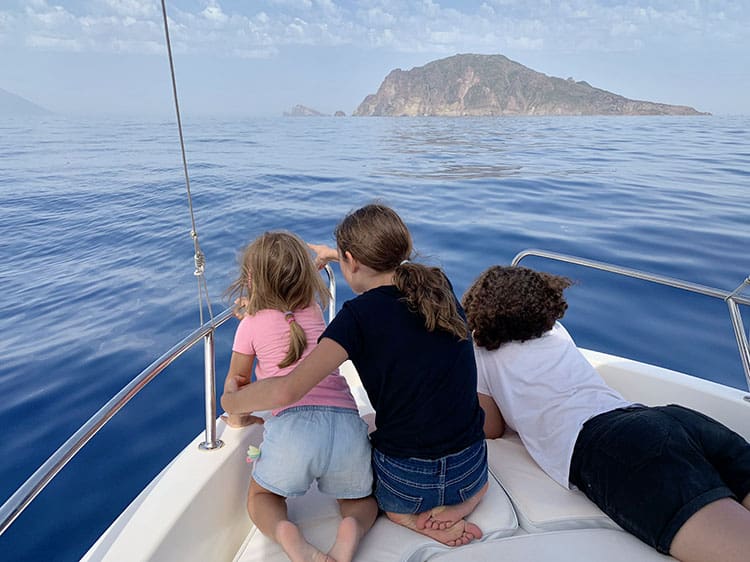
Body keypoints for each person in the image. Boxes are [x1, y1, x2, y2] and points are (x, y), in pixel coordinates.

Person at [223, 204, 488, 547]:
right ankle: (465, 503)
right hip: (471, 472)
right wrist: (337, 255)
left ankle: (403, 515)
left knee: (375, 465)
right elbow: (397, 268)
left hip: (405, 487)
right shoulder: (438, 285)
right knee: (380, 443)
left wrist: (232, 401)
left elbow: (288, 389)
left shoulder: (355, 318)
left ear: (352, 261)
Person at [462, 265, 750, 562]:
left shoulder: (480, 349)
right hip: (670, 419)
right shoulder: (555, 331)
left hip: (615, 446)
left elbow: (491, 428)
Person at [221, 231, 377, 562]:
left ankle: (289, 536)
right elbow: (288, 309)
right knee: (361, 501)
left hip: (293, 433)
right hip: (346, 426)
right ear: (304, 276)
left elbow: (237, 383)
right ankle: (351, 529)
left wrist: (237, 417)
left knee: (262, 497)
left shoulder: (249, 324)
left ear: (250, 279)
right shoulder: (315, 309)